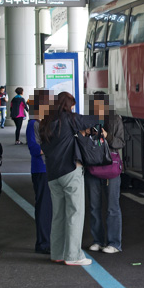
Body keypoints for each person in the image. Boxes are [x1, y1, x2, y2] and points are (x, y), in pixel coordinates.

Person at [39, 91, 98, 266]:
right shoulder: (70, 119)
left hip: (52, 174)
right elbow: (94, 120)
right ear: (68, 105)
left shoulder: (46, 122)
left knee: (58, 215)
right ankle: (73, 256)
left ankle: (57, 253)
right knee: (75, 214)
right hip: (71, 172)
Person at [85, 92, 125, 254]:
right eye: (95, 105)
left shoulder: (115, 119)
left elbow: (121, 142)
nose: (98, 108)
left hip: (110, 167)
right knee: (94, 206)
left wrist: (107, 136)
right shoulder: (88, 120)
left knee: (112, 207)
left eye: (101, 104)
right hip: (92, 166)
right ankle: (98, 240)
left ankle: (114, 243)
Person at [26, 89, 52, 254]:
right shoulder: (33, 124)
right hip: (41, 169)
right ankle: (43, 243)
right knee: (44, 207)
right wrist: (53, 147)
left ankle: (47, 241)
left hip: (48, 168)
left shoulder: (44, 123)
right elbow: (35, 149)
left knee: (49, 207)